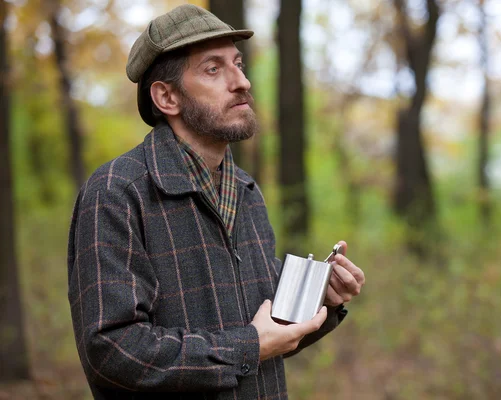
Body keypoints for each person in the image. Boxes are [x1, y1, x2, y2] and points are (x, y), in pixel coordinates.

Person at [67, 4, 365, 399]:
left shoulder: (246, 192)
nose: (241, 81)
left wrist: (321, 302)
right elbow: (111, 351)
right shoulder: (117, 192)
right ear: (167, 97)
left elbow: (267, 337)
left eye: (238, 64)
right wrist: (248, 346)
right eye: (213, 69)